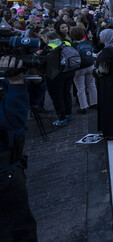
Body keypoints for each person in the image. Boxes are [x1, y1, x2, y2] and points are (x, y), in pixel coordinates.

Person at [0, 56, 38, 241]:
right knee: (18, 233)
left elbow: (34, 101)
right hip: (5, 175)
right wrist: (15, 83)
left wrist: (31, 79)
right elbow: (13, 120)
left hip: (11, 169)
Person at [39, 28, 76, 127]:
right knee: (66, 93)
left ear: (46, 38)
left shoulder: (49, 47)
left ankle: (61, 118)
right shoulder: (66, 43)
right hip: (69, 71)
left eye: (43, 38)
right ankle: (68, 114)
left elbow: (43, 63)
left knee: (57, 96)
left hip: (55, 75)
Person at [70, 25, 97, 114]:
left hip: (79, 68)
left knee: (80, 88)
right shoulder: (88, 42)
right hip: (90, 65)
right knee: (92, 85)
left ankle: (83, 106)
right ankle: (94, 103)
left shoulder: (72, 45)